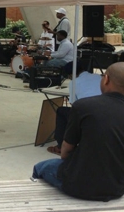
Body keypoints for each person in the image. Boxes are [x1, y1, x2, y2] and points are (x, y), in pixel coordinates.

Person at [32, 62, 124, 201]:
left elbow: (66, 152)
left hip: (78, 186)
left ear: (106, 79)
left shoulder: (84, 106)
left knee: (40, 167)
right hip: (117, 188)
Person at [47, 61, 102, 156]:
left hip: (88, 116)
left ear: (72, 74)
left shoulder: (74, 82)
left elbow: (75, 105)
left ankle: (61, 145)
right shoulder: (98, 77)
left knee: (61, 111)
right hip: (104, 112)